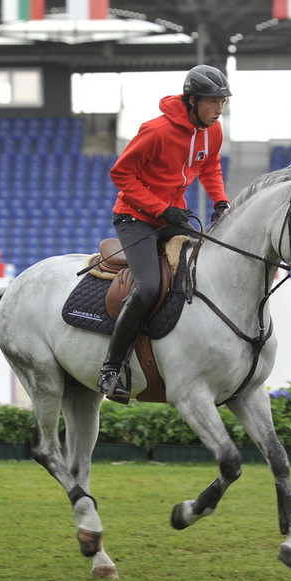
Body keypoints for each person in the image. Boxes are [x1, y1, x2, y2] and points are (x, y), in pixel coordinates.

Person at [97, 64, 233, 402]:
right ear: (192, 100)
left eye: (223, 103)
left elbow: (211, 166)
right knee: (149, 287)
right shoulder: (155, 131)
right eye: (213, 102)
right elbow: (121, 175)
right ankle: (111, 368)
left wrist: (220, 202)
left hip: (171, 216)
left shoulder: (211, 131)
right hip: (134, 218)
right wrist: (160, 209)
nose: (219, 109)